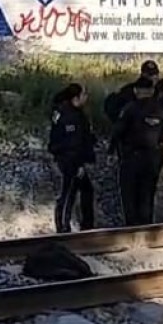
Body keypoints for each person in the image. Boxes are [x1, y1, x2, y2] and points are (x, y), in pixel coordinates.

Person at [109, 76, 163, 227]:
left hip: (132, 158)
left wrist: (112, 151)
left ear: (136, 91)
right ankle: (146, 227)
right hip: (152, 160)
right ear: (151, 91)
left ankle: (132, 228)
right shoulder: (161, 111)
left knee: (129, 195)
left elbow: (118, 131)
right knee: (147, 195)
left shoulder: (130, 109)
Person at [104, 60, 163, 164]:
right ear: (142, 75)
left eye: (154, 75)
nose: (152, 78)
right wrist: (119, 124)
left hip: (157, 140)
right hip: (131, 142)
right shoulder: (132, 89)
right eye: (149, 75)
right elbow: (112, 105)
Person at [49, 83, 97, 234]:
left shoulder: (70, 112)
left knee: (86, 190)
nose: (86, 97)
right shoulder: (70, 116)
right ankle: (63, 228)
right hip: (70, 161)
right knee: (68, 193)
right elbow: (72, 143)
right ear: (76, 98)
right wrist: (79, 165)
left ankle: (87, 226)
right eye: (84, 95)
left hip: (69, 158)